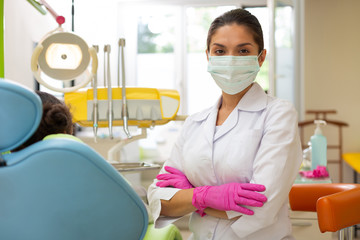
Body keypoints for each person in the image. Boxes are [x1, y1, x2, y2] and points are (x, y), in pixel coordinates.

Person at [147, 8, 302, 240]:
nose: (230, 60)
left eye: (243, 51)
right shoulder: (195, 124)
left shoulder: (278, 114)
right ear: (208, 57)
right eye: (220, 51)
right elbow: (157, 199)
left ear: (260, 57)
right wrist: (204, 196)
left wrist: (189, 196)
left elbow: (260, 206)